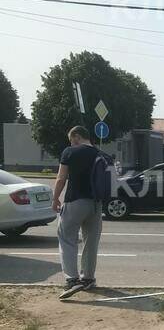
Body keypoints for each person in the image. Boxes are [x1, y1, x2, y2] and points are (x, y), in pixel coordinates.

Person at [52, 125, 103, 299]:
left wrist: (55, 198)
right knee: (91, 241)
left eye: (71, 140)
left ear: (76, 136)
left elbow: (61, 178)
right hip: (96, 204)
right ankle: (88, 279)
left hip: (74, 201)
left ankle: (72, 280)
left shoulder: (69, 152)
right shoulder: (100, 154)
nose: (71, 143)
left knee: (66, 238)